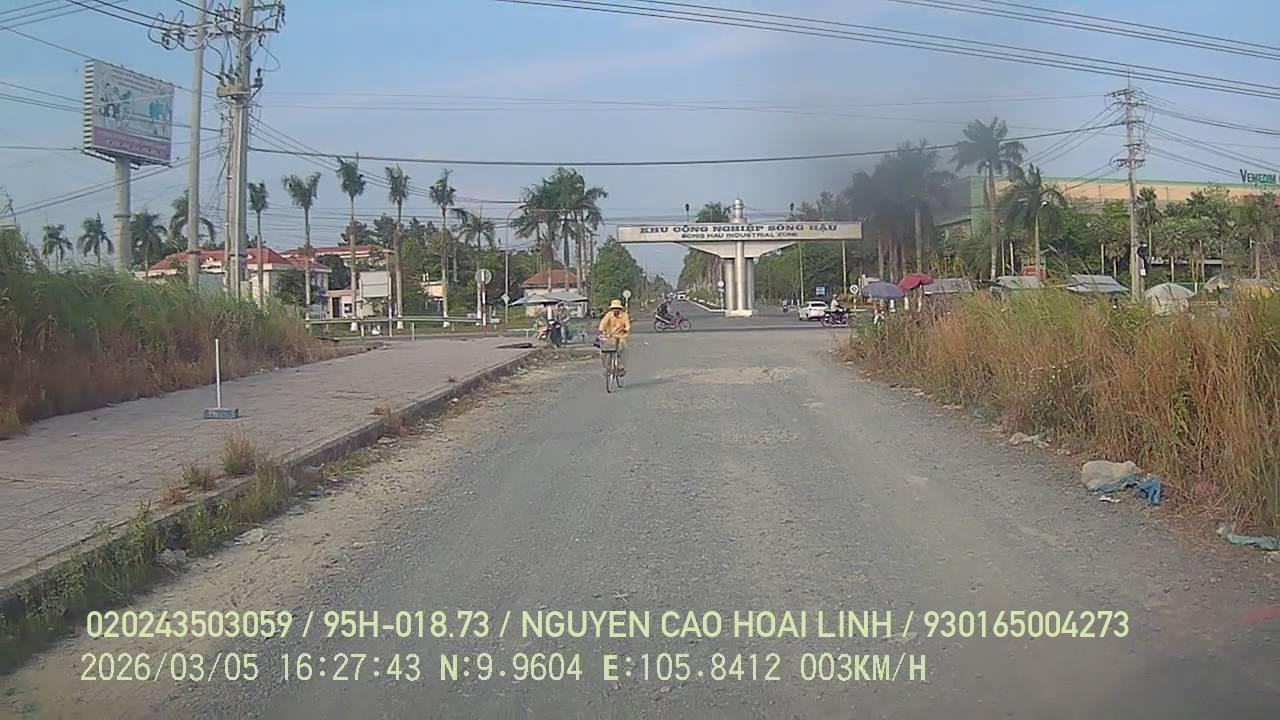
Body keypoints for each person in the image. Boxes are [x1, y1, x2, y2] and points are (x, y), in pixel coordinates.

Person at [597, 299, 631, 376]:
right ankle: (607, 368)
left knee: (621, 349)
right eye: (614, 308)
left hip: (620, 336)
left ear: (620, 309)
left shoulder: (624, 315)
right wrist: (601, 330)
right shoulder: (609, 315)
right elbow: (603, 323)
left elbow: (627, 325)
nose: (615, 310)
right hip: (609, 336)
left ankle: (620, 367)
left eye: (617, 308)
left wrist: (625, 329)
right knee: (603, 352)